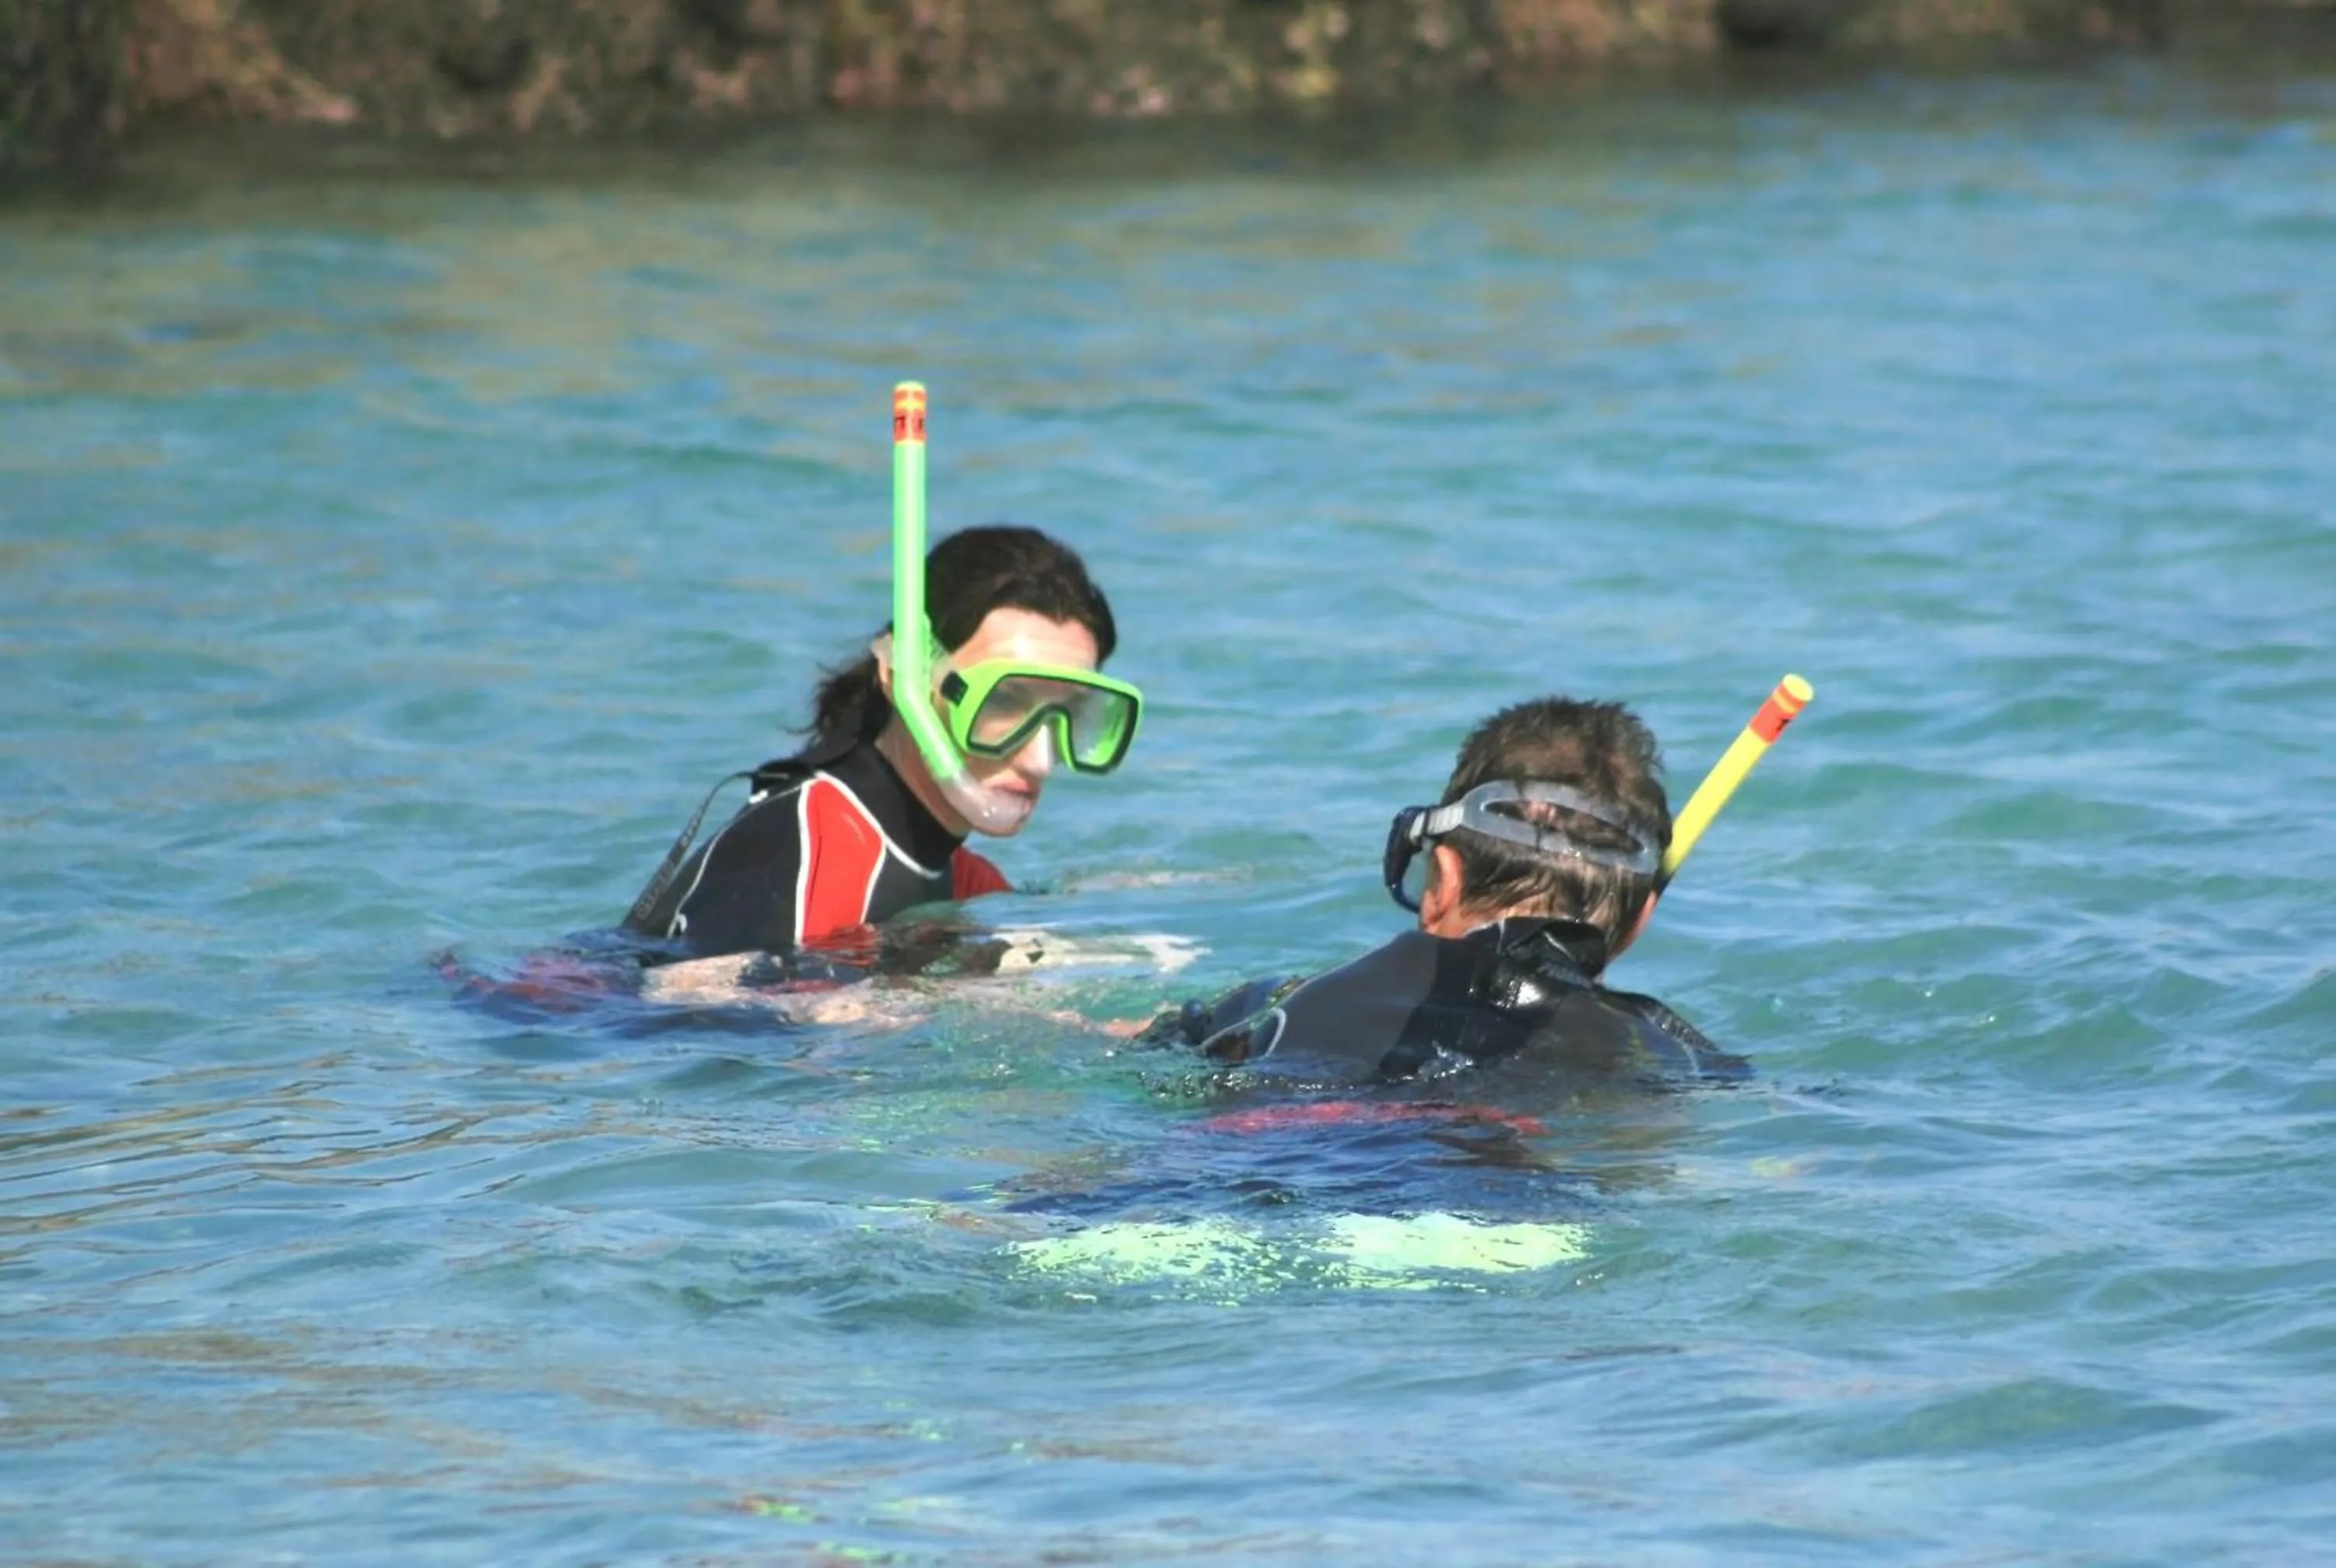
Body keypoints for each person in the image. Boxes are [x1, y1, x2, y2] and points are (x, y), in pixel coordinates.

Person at [1136, 695, 1743, 1092]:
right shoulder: (1670, 1061)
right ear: (1640, 922)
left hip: (1266, 1154)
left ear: (1441, 882)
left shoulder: (1274, 1004)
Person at [620, 523, 1143, 968]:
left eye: (1071, 713)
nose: (1041, 759)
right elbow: (708, 1026)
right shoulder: (800, 847)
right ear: (903, 677)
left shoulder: (967, 882)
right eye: (1003, 701)